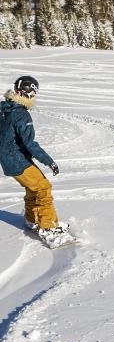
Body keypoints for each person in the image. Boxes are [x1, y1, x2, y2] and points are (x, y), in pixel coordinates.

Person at [0, 76, 70, 246]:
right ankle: (48, 226)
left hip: (8, 160)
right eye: (30, 91)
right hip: (17, 159)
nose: (32, 95)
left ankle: (32, 219)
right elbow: (30, 144)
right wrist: (49, 161)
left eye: (34, 92)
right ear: (20, 91)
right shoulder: (21, 114)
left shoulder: (4, 108)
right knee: (43, 187)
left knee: (33, 188)